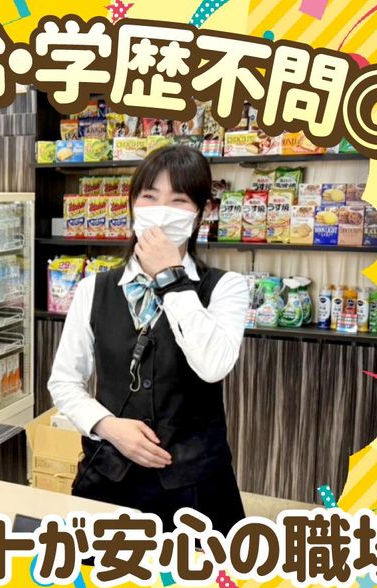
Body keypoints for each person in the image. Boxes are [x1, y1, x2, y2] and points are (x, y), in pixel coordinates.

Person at [48, 145, 248, 535]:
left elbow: (213, 366)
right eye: (150, 197)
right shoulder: (93, 289)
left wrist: (171, 278)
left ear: (200, 214)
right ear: (133, 206)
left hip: (197, 487)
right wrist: (107, 425)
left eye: (179, 200)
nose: (162, 211)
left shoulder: (226, 288)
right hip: (109, 476)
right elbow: (64, 381)